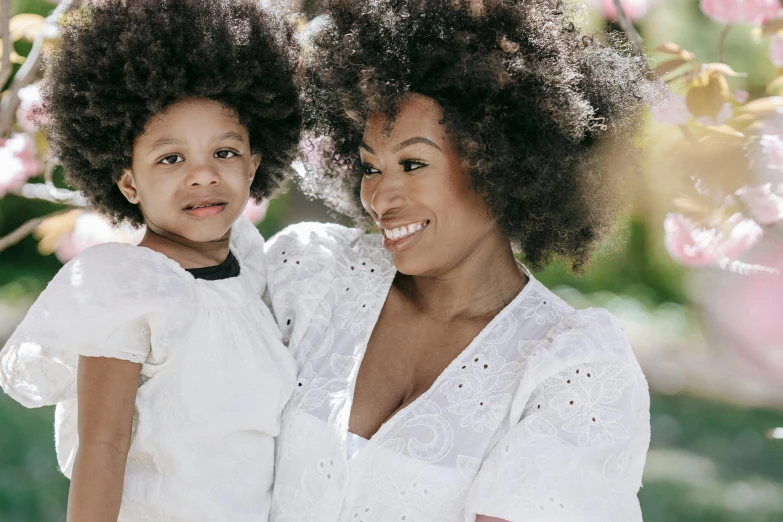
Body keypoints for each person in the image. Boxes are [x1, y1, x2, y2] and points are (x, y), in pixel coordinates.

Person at [264, 0, 653, 520]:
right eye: (371, 167)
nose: (380, 197)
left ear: (501, 164)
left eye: (413, 162)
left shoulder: (573, 369)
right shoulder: (310, 273)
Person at [0, 1, 300, 520]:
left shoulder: (250, 271)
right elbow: (103, 446)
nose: (203, 175)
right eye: (171, 158)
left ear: (255, 164)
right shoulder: (129, 286)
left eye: (225, 153)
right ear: (128, 181)